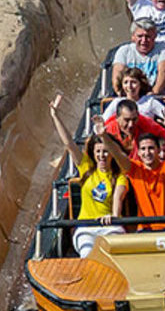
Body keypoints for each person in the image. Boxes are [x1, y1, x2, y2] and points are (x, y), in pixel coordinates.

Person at [49, 93, 125, 257]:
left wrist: (113, 216)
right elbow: (69, 143)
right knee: (88, 254)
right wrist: (55, 115)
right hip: (86, 227)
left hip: (109, 225)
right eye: (98, 152)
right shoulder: (87, 168)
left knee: (112, 253)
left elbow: (118, 201)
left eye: (106, 152)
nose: (102, 156)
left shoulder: (118, 176)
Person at [96, 102, 165, 232]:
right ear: (139, 152)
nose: (147, 152)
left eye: (151, 148)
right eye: (143, 149)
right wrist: (103, 136)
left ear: (159, 150)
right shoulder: (135, 169)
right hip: (145, 228)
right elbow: (117, 154)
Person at [109, 19, 165, 94]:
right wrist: (122, 95)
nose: (144, 40)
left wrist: (153, 93)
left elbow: (164, 72)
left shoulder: (163, 49)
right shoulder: (124, 51)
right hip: (129, 96)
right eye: (140, 36)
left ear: (155, 36)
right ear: (133, 37)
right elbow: (117, 77)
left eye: (147, 36)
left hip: (155, 96)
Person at [96, 95, 165, 152]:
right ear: (117, 118)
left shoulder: (147, 124)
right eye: (126, 120)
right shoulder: (108, 130)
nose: (131, 125)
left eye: (134, 119)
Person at [100, 67, 165, 124]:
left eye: (133, 82)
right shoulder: (117, 102)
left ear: (141, 84)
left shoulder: (149, 102)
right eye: (126, 82)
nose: (129, 86)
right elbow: (103, 120)